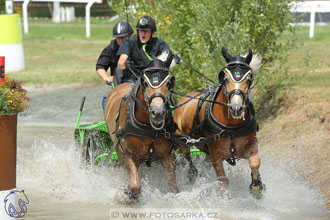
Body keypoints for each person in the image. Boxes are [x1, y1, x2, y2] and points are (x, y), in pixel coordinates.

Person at [117, 15, 173, 83]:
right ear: (138, 31)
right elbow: (121, 62)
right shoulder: (129, 42)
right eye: (141, 31)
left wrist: (174, 59)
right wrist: (126, 65)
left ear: (152, 33)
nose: (143, 34)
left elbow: (168, 55)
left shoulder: (160, 43)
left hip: (153, 78)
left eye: (146, 31)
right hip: (134, 79)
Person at [96, 21, 133, 85]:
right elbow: (100, 66)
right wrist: (106, 78)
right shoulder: (110, 49)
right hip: (119, 83)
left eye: (123, 37)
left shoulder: (138, 46)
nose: (121, 40)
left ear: (131, 35)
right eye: (118, 38)